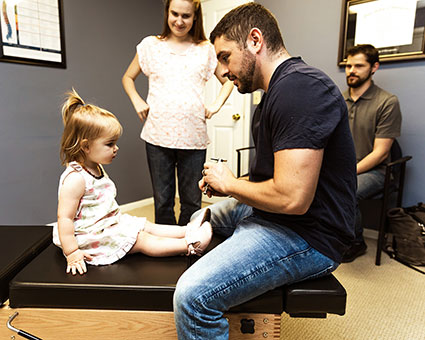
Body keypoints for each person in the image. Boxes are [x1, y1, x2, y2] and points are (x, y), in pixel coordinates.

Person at [172, 3, 357, 339]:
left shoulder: (301, 89)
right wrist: (229, 185)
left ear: (255, 40)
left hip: (310, 235)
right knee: (207, 219)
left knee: (192, 297)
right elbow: (268, 180)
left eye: (226, 57)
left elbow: (292, 198)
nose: (224, 71)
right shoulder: (270, 98)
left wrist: (230, 184)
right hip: (278, 216)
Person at [53, 89, 212, 276]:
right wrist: (72, 253)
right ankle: (190, 245)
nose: (116, 148)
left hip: (108, 223)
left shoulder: (95, 167)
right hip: (90, 236)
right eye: (110, 144)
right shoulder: (75, 179)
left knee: (145, 225)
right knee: (141, 239)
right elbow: (65, 218)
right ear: (86, 146)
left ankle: (186, 230)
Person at [122, 0, 233, 226]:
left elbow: (228, 80)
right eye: (175, 14)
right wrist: (136, 100)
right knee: (163, 201)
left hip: (193, 139)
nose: (179, 21)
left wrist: (216, 105)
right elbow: (127, 77)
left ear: (195, 17)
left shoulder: (206, 50)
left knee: (192, 201)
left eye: (186, 16)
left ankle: (188, 246)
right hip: (157, 136)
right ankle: (166, 250)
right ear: (167, 13)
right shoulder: (150, 46)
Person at [342, 44, 402, 263]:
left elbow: (380, 153)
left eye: (359, 66)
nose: (352, 71)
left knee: (346, 189)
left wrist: (346, 173)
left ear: (374, 67)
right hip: (344, 167)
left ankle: (356, 242)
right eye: (349, 66)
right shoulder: (338, 100)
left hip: (376, 171)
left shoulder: (387, 102)